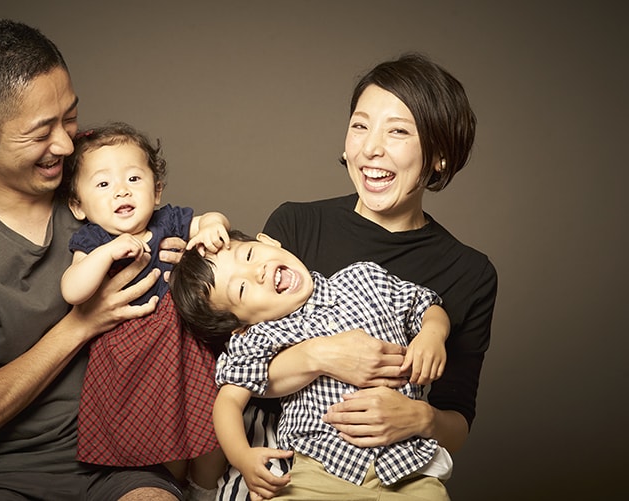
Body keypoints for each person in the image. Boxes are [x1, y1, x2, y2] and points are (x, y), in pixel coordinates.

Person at [0, 19, 185, 500]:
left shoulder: (103, 192)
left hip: (124, 459)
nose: (64, 144)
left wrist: (184, 264)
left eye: (69, 118)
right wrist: (81, 324)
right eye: (40, 132)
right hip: (8, 473)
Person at [216, 53, 498, 500]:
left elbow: (457, 420)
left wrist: (417, 418)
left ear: (440, 155)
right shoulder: (296, 226)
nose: (370, 149)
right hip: (301, 465)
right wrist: (320, 355)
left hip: (402, 474)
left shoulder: (469, 272)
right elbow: (237, 364)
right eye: (360, 125)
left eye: (399, 131)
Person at [169, 230, 453, 500]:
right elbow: (228, 402)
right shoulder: (260, 336)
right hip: (320, 470)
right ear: (239, 325)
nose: (257, 272)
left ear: (269, 242)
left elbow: (425, 305)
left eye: (249, 255)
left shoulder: (363, 278)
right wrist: (242, 457)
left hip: (410, 466)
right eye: (242, 289)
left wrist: (432, 334)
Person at [61, 121, 229, 499]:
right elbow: (73, 289)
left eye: (134, 178)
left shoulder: (167, 221)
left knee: (212, 429)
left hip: (185, 351)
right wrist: (105, 254)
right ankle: (173, 488)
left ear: (156, 192)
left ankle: (206, 490)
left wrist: (211, 228)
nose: (121, 189)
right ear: (78, 205)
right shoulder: (93, 240)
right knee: (157, 446)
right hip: (131, 364)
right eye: (103, 184)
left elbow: (211, 218)